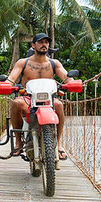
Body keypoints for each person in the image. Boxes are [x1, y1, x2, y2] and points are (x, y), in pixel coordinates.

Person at [6, 33, 72, 161]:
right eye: (41, 42)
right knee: (16, 103)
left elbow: (66, 77)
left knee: (59, 104)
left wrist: (73, 82)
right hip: (28, 99)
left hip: (49, 100)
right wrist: (6, 84)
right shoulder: (23, 63)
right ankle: (18, 142)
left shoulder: (54, 63)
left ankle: (57, 144)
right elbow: (11, 78)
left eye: (46, 42)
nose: (44, 45)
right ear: (33, 45)